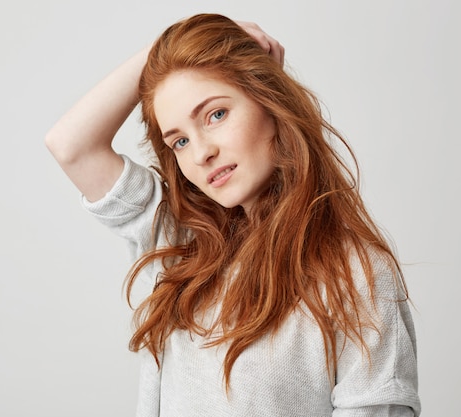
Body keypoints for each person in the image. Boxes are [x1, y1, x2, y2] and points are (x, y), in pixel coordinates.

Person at [45, 13, 420, 417]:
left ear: (270, 101)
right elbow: (71, 145)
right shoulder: (179, 241)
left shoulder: (356, 275)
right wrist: (168, 47)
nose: (202, 152)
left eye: (216, 114)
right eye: (180, 141)